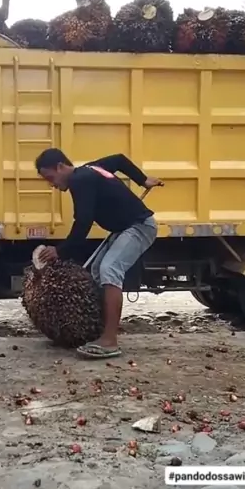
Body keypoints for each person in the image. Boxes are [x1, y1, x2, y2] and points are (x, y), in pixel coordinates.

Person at [35, 148, 164, 359]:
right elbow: (119, 160)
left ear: (60, 167)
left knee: (109, 269)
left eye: (51, 178)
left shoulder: (79, 180)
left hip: (139, 226)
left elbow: (83, 222)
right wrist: (142, 180)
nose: (53, 185)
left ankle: (110, 341)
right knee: (96, 270)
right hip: (124, 228)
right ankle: (97, 332)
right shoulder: (91, 169)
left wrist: (60, 250)